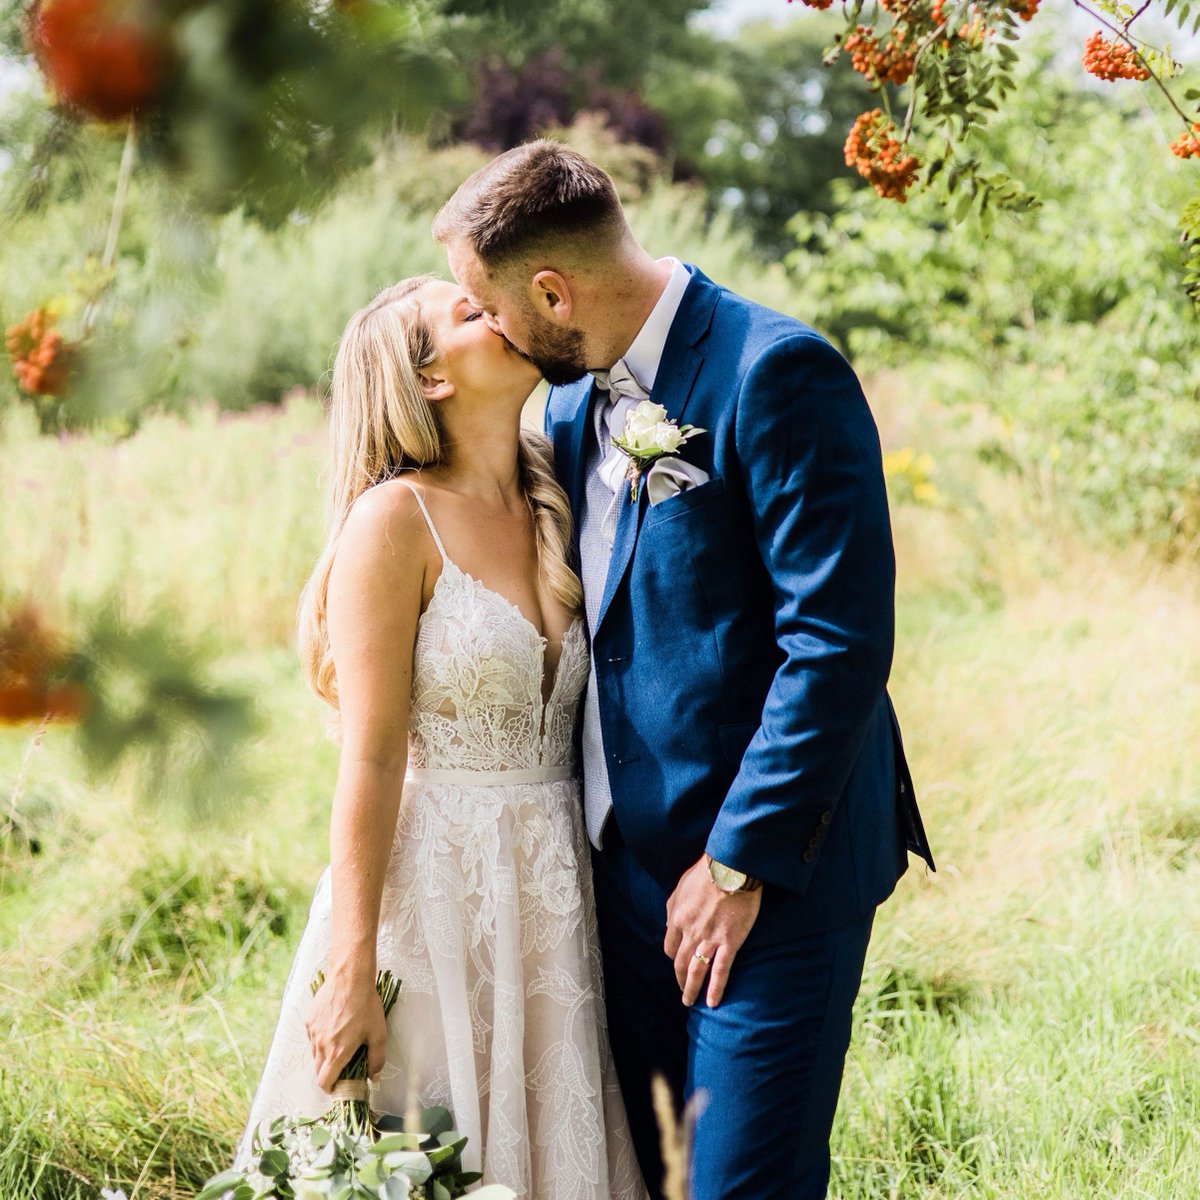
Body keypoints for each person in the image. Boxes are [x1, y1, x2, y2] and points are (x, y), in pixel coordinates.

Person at [432, 141, 936, 1200]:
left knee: (742, 1186)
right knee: (652, 1180)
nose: (491, 330)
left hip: (769, 881)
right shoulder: (569, 409)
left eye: (492, 307)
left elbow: (838, 641)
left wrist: (737, 864)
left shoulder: (776, 371)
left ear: (553, 291)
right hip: (617, 890)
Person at [234, 275, 645, 1200]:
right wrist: (351, 971)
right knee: (422, 1161)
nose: (501, 315)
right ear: (428, 381)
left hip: (553, 902)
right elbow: (371, 758)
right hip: (434, 907)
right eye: (471, 314)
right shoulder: (393, 522)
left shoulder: (560, 497)